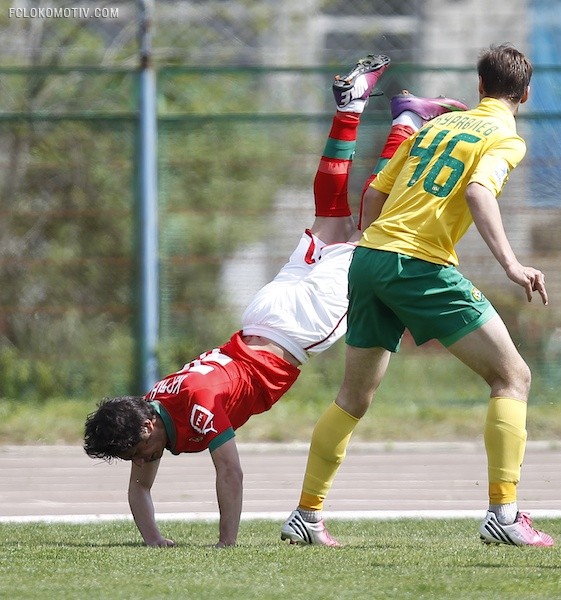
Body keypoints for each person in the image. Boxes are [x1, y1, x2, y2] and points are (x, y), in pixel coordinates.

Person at [83, 54, 468, 548]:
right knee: (331, 216)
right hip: (262, 315)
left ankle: (407, 123)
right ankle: (355, 110)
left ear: (142, 433)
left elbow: (231, 474)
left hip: (294, 329)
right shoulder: (152, 404)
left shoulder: (197, 410)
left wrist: (226, 546)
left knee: (377, 230)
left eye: (137, 454)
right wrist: (154, 541)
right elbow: (139, 489)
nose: (140, 464)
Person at [281, 43, 555, 548]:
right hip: (418, 264)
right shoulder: (505, 136)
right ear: (526, 94)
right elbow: (477, 192)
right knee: (513, 376)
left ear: (478, 87)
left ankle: (306, 514)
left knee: (353, 397)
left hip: (371, 259)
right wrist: (512, 265)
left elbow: (378, 190)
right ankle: (504, 513)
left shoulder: (436, 126)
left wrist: (376, 243)